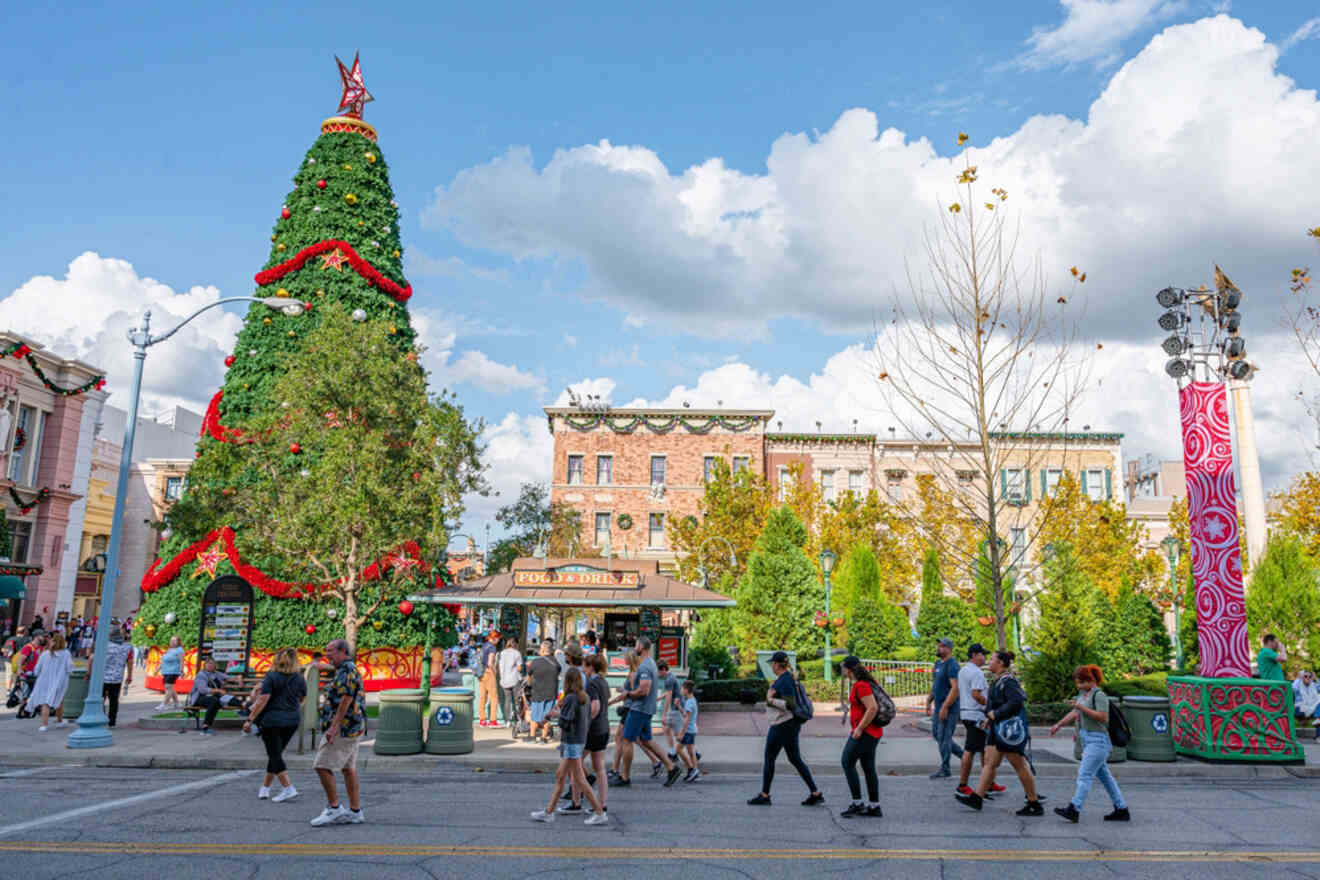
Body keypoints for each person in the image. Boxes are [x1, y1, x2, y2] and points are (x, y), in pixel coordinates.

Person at [955, 651, 1043, 816]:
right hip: (997, 729)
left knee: (1019, 765)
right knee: (990, 763)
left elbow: (1016, 701)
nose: (989, 662)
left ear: (1001, 663)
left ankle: (1034, 802)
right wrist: (989, 718)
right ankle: (977, 798)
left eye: (992, 659)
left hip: (1007, 732)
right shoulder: (998, 680)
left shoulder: (1008, 681)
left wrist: (996, 714)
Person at [1049, 665, 1130, 823]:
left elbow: (1103, 717)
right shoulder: (1084, 695)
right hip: (1089, 740)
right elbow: (1074, 713)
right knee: (1106, 778)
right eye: (1077, 683)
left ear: (1091, 681)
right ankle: (1121, 809)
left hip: (1098, 741)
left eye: (1081, 682)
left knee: (1084, 775)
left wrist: (1081, 708)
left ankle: (1074, 808)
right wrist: (1058, 724)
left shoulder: (1098, 695)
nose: (1078, 686)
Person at [531, 667, 608, 824]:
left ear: (567, 681)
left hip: (571, 742)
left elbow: (566, 721)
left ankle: (599, 812)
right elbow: (584, 720)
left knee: (579, 779)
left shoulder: (571, 698)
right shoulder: (583, 697)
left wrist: (556, 715)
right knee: (561, 776)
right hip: (577, 741)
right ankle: (549, 811)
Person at [748, 650, 824, 807]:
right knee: (795, 759)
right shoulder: (788, 678)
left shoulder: (785, 680)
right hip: (790, 724)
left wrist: (770, 700)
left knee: (770, 757)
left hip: (783, 724)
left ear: (776, 664)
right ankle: (815, 793)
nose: (772, 667)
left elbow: (791, 704)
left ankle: (765, 795)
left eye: (772, 664)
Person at [310, 639, 367, 826]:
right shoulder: (346, 668)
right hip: (353, 727)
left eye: (331, 651)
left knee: (321, 765)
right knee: (348, 769)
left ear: (343, 651)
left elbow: (346, 700)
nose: (327, 654)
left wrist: (334, 727)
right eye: (326, 650)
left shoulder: (346, 671)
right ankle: (355, 810)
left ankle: (334, 808)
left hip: (344, 727)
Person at [618, 637, 682, 787]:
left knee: (627, 740)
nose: (635, 647)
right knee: (646, 740)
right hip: (646, 709)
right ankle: (671, 768)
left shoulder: (645, 666)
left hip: (639, 709)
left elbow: (644, 690)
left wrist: (627, 694)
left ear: (641, 646)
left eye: (636, 645)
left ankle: (625, 777)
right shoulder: (651, 663)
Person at [245, 647, 308, 802]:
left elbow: (262, 700)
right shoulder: (300, 678)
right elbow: (302, 698)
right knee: (276, 755)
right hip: (292, 720)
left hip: (272, 720)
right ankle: (265, 788)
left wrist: (250, 719)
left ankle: (288, 788)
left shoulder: (271, 676)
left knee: (274, 755)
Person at [837, 656, 884, 817]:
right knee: (868, 767)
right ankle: (874, 806)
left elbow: (872, 708)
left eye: (843, 667)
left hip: (865, 733)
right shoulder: (862, 684)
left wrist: (859, 728)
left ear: (849, 669)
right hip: (871, 732)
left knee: (847, 761)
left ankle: (857, 803)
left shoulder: (861, 686)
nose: (842, 671)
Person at [956, 643, 1003, 798]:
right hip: (976, 714)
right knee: (970, 751)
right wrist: (990, 706)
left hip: (966, 713)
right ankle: (963, 785)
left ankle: (988, 782)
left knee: (984, 750)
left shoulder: (963, 670)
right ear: (974, 655)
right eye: (982, 655)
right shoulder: (977, 673)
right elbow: (976, 694)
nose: (984, 658)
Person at [926, 637, 963, 778]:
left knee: (944, 737)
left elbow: (955, 688)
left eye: (942, 646)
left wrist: (945, 707)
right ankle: (964, 756)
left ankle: (945, 768)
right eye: (938, 645)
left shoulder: (952, 665)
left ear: (949, 649)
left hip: (949, 708)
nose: (939, 648)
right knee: (938, 736)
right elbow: (936, 686)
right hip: (938, 706)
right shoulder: (937, 664)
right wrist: (929, 700)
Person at [26, 631, 74, 731]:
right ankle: (60, 721)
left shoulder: (45, 654)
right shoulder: (66, 654)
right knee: (59, 700)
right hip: (59, 682)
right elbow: (70, 668)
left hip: (44, 681)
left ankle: (44, 725)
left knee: (46, 702)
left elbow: (37, 669)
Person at [90, 626, 135, 728]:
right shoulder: (127, 647)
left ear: (110, 635)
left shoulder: (103, 645)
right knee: (114, 700)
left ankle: (100, 718)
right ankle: (112, 721)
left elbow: (93, 658)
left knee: (100, 699)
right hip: (117, 678)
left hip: (101, 677)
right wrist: (129, 675)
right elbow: (130, 662)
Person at [608, 649, 640, 784]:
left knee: (625, 740)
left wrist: (612, 701)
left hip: (629, 709)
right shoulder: (632, 673)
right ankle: (615, 768)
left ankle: (619, 771)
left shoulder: (633, 674)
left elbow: (632, 694)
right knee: (622, 738)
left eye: (625, 657)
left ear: (630, 659)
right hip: (628, 708)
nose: (624, 659)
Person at [188, 658, 241, 734]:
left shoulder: (216, 673)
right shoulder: (201, 675)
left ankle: (244, 707)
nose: (210, 665)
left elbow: (228, 678)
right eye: (208, 663)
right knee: (215, 701)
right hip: (200, 698)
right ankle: (205, 726)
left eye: (212, 663)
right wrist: (218, 690)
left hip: (215, 697)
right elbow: (203, 690)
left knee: (226, 699)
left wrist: (238, 678)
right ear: (204, 665)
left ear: (215, 665)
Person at [527, 640, 561, 745]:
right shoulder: (556, 663)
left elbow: (529, 676)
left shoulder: (535, 662)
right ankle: (543, 738)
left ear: (542, 649)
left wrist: (530, 684)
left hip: (537, 692)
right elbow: (558, 673)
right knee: (547, 716)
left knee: (534, 716)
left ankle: (532, 737)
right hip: (551, 693)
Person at [496, 637, 524, 733]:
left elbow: (499, 667)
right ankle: (517, 719)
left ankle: (507, 720)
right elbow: (519, 668)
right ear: (515, 644)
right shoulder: (517, 653)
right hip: (514, 679)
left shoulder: (502, 653)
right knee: (517, 700)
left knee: (507, 700)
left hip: (504, 680)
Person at [476, 631, 501, 727]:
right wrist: (495, 672)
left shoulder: (484, 645)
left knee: (483, 697)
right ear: (494, 638)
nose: (498, 640)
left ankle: (482, 720)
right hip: (488, 673)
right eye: (498, 638)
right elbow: (490, 663)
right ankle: (493, 721)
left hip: (481, 673)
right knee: (494, 697)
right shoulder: (492, 647)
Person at [678, 679, 700, 782]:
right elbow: (685, 715)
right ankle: (692, 769)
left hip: (689, 731)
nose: (681, 690)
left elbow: (686, 720)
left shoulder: (689, 702)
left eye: (682, 688)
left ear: (686, 690)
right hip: (690, 730)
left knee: (684, 751)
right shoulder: (691, 700)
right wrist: (678, 706)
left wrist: (681, 733)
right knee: (689, 751)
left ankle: (693, 769)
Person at [157, 636, 186, 710]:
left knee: (168, 687)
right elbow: (164, 660)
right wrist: (157, 669)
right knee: (170, 688)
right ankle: (177, 703)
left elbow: (181, 661)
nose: (172, 642)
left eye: (174, 640)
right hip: (166, 671)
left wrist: (181, 671)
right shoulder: (170, 649)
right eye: (171, 640)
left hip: (173, 671)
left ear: (178, 642)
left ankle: (164, 704)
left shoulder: (180, 650)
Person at [1292, 669, 1320, 734]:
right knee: (1318, 715)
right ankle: (1318, 719)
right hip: (1300, 709)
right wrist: (1298, 679)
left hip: (1312, 708)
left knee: (1319, 715)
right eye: (1305, 676)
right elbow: (1292, 688)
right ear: (1302, 677)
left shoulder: (1314, 685)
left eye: (1310, 676)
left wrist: (1316, 678)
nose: (1308, 678)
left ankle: (1318, 735)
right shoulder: (1298, 685)